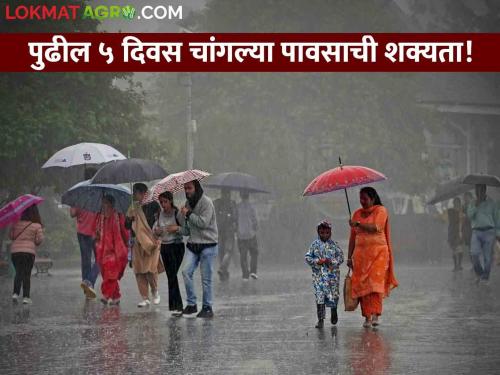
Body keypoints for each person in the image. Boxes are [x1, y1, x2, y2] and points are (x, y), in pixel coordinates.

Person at [347, 187, 398, 328]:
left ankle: (375, 314)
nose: (362, 201)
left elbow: (377, 227)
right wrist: (349, 257)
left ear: (373, 198)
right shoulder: (356, 214)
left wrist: (358, 224)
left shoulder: (381, 211)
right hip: (361, 257)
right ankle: (367, 317)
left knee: (375, 285)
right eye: (360, 198)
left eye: (365, 198)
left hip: (379, 255)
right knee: (363, 286)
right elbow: (352, 238)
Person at [178, 180, 218, 318]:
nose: (187, 191)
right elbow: (187, 230)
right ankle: (191, 304)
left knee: (206, 279)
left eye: (189, 188)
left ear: (196, 187)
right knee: (185, 272)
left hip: (208, 244)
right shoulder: (187, 204)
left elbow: (203, 223)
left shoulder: (206, 202)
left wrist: (189, 214)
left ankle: (207, 307)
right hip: (193, 244)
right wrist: (180, 217)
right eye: (185, 188)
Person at [126, 183, 162, 307]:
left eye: (136, 193)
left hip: (152, 242)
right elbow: (127, 226)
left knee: (150, 269)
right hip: (138, 243)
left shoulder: (154, 205)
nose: (134, 196)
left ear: (143, 193)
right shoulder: (133, 208)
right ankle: (145, 297)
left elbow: (160, 222)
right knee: (139, 271)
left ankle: (155, 292)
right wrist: (129, 219)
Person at [305, 220, 344, 328]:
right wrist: (317, 261)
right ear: (318, 232)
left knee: (334, 294)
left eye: (327, 233)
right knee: (320, 296)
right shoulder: (314, 245)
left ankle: (334, 310)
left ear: (330, 232)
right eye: (322, 233)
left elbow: (341, 258)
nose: (324, 235)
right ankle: (320, 319)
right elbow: (307, 257)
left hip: (333, 276)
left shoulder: (334, 245)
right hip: (319, 276)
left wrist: (332, 262)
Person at [153, 191, 185, 313]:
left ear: (170, 201)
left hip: (177, 247)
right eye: (161, 202)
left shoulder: (177, 213)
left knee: (172, 276)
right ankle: (176, 307)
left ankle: (177, 306)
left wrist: (176, 228)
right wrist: (157, 231)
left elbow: (185, 229)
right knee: (171, 276)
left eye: (165, 202)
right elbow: (154, 230)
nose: (163, 204)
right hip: (165, 247)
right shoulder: (159, 215)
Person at [71, 168, 99, 299]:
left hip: (82, 232)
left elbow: (72, 213)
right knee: (100, 259)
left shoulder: (79, 192)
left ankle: (87, 288)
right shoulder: (99, 192)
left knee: (85, 260)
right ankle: (90, 282)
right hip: (97, 232)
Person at [95, 195, 129, 305]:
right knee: (106, 274)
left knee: (111, 274)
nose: (104, 206)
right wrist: (96, 235)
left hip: (116, 251)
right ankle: (116, 297)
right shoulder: (100, 217)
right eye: (103, 203)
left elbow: (125, 232)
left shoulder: (118, 216)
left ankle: (106, 295)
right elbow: (96, 233)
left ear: (111, 204)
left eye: (106, 203)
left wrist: (127, 244)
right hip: (103, 251)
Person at [9, 205, 44, 304]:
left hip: (15, 252)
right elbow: (39, 240)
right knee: (26, 274)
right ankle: (26, 297)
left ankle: (15, 293)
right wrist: (35, 241)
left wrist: (12, 227)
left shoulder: (15, 223)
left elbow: (11, 236)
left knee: (18, 272)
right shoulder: (36, 225)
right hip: (28, 253)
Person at [466, 184, 500, 284]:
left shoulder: (492, 203)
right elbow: (469, 216)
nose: (479, 192)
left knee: (487, 257)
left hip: (489, 232)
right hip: (476, 231)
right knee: (474, 255)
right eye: (477, 190)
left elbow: (497, 219)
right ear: (475, 191)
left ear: (485, 190)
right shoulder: (473, 203)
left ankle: (485, 278)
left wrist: (498, 233)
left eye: (481, 190)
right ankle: (480, 274)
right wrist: (476, 205)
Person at [213, 189, 237, 282]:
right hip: (229, 231)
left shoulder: (217, 203)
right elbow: (235, 217)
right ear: (228, 194)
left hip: (219, 230)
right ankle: (223, 268)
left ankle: (224, 273)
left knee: (221, 252)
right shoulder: (232, 203)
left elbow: (213, 216)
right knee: (229, 251)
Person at [237, 191, 259, 280]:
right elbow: (255, 220)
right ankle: (253, 271)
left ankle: (245, 274)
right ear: (248, 196)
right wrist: (256, 227)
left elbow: (234, 219)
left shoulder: (237, 207)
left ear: (240, 196)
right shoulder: (251, 207)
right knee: (254, 253)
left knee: (243, 256)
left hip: (240, 235)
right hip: (251, 234)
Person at [447, 197, 464, 271]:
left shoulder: (462, 211)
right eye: (455, 203)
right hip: (452, 232)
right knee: (454, 249)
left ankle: (459, 265)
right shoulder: (451, 211)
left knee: (459, 248)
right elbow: (451, 219)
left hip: (460, 231)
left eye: (458, 203)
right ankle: (455, 266)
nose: (456, 204)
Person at [462, 192, 473, 267]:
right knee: (469, 246)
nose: (465, 199)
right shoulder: (464, 206)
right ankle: (473, 262)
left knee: (473, 245)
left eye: (467, 197)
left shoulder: (473, 205)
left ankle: (474, 261)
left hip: (473, 228)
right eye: (464, 197)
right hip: (466, 228)